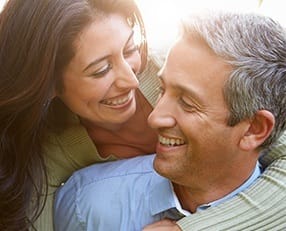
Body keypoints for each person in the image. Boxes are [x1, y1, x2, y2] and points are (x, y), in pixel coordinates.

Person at [0, 0, 285, 229]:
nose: (132, 80)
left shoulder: (182, 67)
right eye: (100, 70)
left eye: (130, 49)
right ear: (48, 84)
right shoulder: (49, 157)